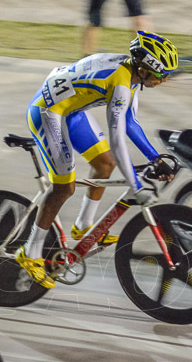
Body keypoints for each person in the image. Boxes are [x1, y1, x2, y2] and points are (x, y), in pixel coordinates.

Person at [16, 31, 179, 289]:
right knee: (64, 187)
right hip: (48, 111)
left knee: (104, 165)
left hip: (70, 108)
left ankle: (82, 227)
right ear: (144, 67)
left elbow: (130, 123)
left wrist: (155, 157)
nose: (165, 79)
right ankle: (30, 252)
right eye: (161, 74)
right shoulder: (121, 83)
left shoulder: (131, 75)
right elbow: (117, 141)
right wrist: (136, 186)